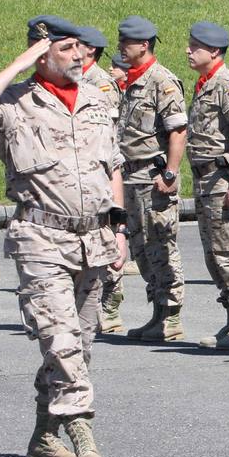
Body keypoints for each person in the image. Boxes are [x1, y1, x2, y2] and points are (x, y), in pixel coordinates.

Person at [0, 14, 125, 457]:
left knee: (79, 346)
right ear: (43, 53)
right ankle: (84, 437)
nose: (79, 55)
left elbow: (112, 165)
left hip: (93, 237)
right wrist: (21, 62)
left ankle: (43, 436)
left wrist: (120, 228)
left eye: (81, 48)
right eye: (67, 48)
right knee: (61, 338)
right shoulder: (13, 103)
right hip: (40, 239)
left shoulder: (98, 99)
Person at [178, 22, 229, 351]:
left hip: (223, 181)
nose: (187, 50)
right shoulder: (205, 84)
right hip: (205, 180)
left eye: (194, 46)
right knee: (213, 255)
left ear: (213, 51)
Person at [115, 15, 189, 342]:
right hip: (131, 176)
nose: (120, 47)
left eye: (126, 42)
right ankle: (157, 312)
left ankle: (171, 316)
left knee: (161, 244)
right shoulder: (131, 81)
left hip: (153, 176)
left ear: (143, 45)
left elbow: (178, 130)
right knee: (141, 247)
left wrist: (171, 173)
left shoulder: (162, 81)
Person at [74, 26, 127, 334]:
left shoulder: (102, 84)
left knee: (106, 234)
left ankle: (110, 304)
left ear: (90, 50)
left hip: (104, 167)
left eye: (77, 46)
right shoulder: (78, 79)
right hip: (84, 170)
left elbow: (108, 133)